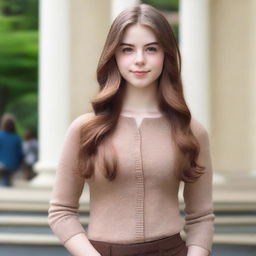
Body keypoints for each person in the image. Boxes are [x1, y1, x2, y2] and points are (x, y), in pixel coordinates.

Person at [48, 4, 214, 256]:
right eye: (127, 49)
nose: (139, 59)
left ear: (166, 55)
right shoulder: (85, 129)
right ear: (114, 55)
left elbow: (201, 216)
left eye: (151, 49)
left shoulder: (191, 131)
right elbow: (61, 212)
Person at [0, 113, 23, 186]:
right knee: (7, 180)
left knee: (4, 180)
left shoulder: (1, 135)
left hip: (2, 165)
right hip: (13, 165)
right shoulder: (17, 137)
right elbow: (20, 154)